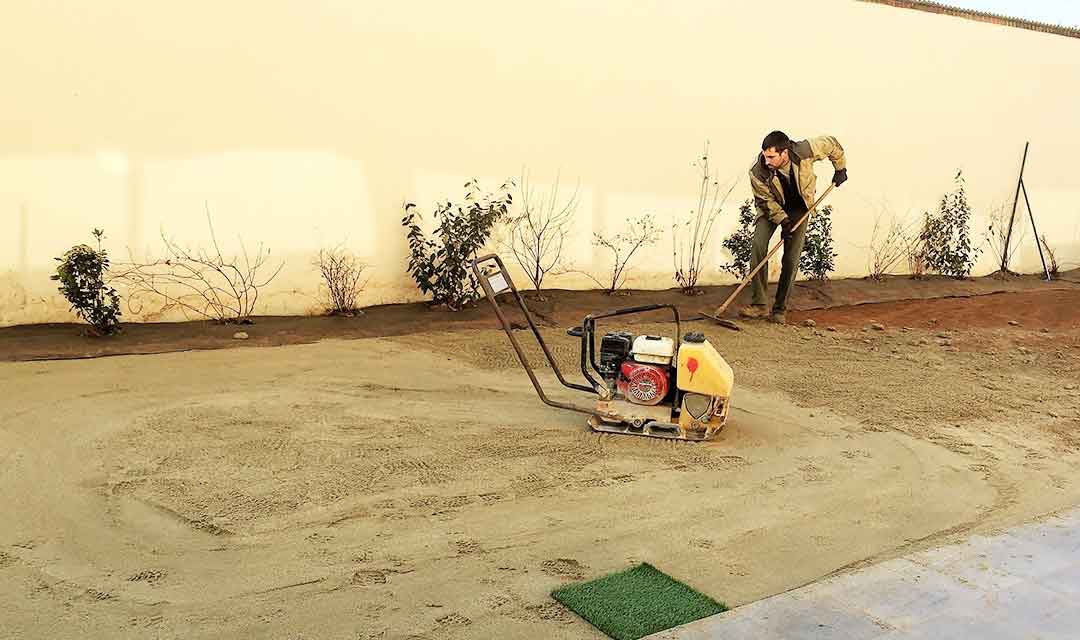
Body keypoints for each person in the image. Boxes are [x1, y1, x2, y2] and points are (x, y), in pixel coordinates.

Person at [737, 130, 847, 324]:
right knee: (758, 246)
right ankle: (759, 305)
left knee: (791, 258)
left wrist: (840, 168)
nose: (767, 161)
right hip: (771, 208)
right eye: (765, 156)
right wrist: (784, 222)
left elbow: (832, 144)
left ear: (784, 153)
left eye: (771, 156)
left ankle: (779, 310)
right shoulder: (757, 171)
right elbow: (765, 200)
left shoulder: (805, 150)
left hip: (799, 207)